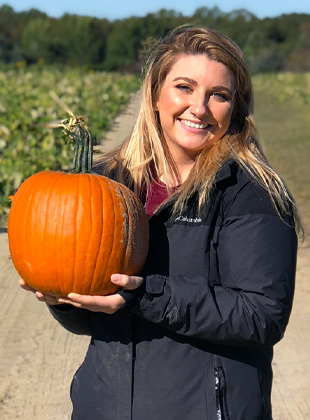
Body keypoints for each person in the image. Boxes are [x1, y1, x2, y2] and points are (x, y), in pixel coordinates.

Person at [20, 26, 301, 420]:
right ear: (155, 94)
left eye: (218, 95)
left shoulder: (250, 191)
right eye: (184, 87)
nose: (199, 108)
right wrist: (65, 300)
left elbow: (260, 315)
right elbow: (96, 315)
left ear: (234, 109)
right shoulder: (110, 181)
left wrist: (146, 294)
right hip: (105, 407)